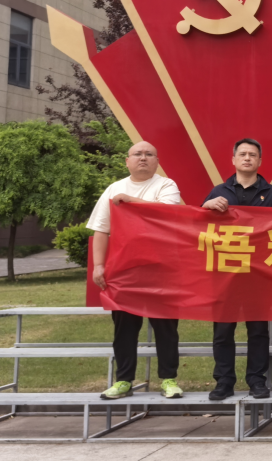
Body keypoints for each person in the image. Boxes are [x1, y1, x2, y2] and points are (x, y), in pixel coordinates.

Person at [90, 141, 184, 400]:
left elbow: (169, 214)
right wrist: (98, 265)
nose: (143, 158)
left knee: (166, 327)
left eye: (149, 154)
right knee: (124, 327)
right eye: (137, 154)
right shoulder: (114, 189)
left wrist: (131, 201)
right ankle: (123, 380)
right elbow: (101, 230)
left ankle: (169, 379)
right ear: (127, 161)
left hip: (161, 269)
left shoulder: (166, 185)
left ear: (157, 161)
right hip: (124, 270)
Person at [201, 138, 272, 401]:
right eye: (243, 154)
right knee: (223, 330)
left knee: (258, 330)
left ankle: (257, 380)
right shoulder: (218, 192)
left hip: (259, 275)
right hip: (225, 273)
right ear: (234, 159)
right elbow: (198, 226)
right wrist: (205, 207)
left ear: (260, 161)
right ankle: (224, 381)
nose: (247, 158)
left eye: (252, 155)